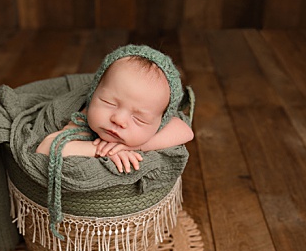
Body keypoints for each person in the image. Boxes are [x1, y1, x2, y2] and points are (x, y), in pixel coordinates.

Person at [36, 50, 194, 175]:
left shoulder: (159, 123)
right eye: (108, 102)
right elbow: (46, 147)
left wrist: (134, 147)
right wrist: (101, 151)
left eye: (139, 119)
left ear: (161, 121)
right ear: (94, 94)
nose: (119, 119)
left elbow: (186, 131)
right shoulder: (83, 119)